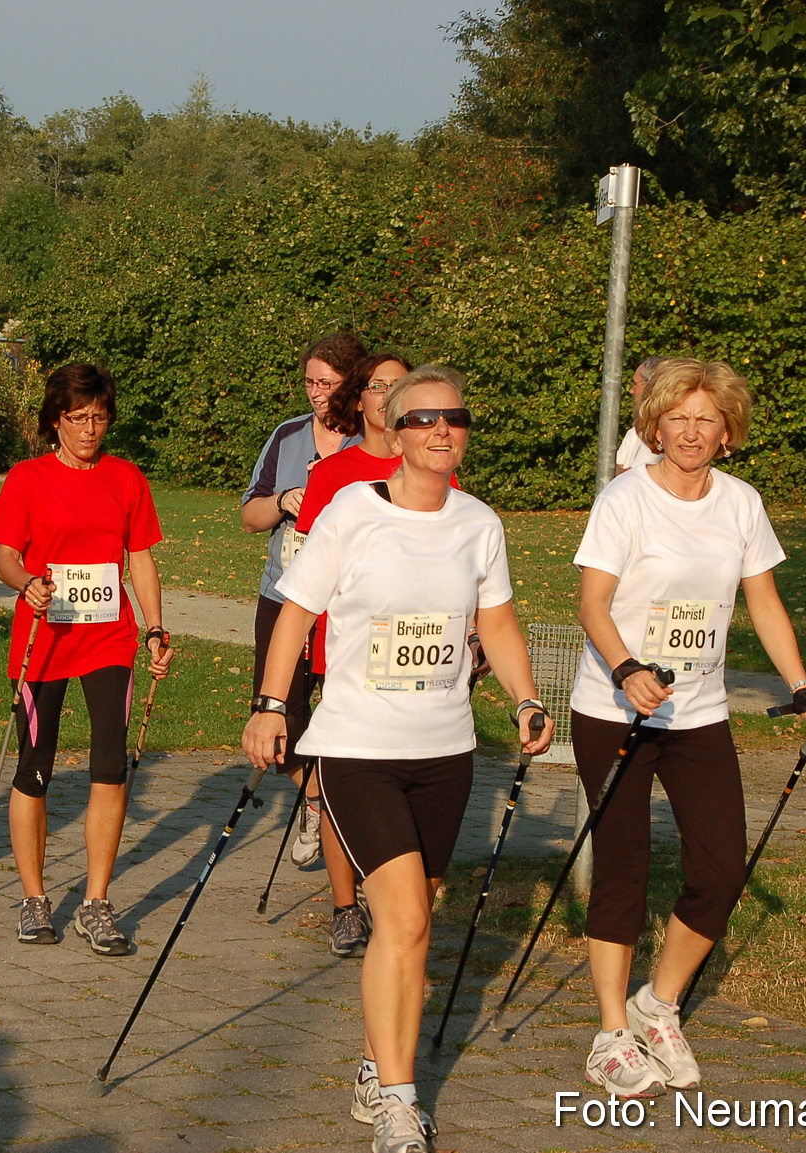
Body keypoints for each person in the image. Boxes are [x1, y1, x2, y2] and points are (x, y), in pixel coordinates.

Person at [243, 365, 554, 1153]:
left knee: (410, 927)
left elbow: (502, 623)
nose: (441, 430)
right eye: (423, 419)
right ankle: (398, 1100)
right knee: (408, 919)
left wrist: (523, 696)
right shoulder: (352, 510)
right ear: (395, 428)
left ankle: (378, 1062)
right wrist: (272, 706)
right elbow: (295, 613)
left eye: (455, 418)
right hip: (357, 745)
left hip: (445, 748)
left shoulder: (479, 523)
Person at [570, 358, 806, 1097]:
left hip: (699, 713)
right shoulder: (624, 500)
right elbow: (594, 604)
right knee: (622, 867)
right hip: (614, 707)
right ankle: (610, 1035)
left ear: (727, 433)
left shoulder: (741, 504)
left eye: (706, 421)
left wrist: (803, 687)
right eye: (677, 419)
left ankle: (657, 1003)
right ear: (655, 426)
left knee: (721, 868)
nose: (690, 433)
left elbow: (764, 602)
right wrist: (626, 667)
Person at [0, 362, 172, 955]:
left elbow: (139, 558)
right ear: (55, 420)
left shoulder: (125, 478)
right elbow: (5, 556)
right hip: (44, 643)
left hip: (107, 639)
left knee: (110, 767)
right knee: (35, 769)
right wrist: (26, 582)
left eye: (99, 418)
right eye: (78, 418)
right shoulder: (27, 478)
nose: (90, 429)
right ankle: (35, 898)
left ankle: (96, 901)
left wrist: (155, 628)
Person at [240, 331, 365, 948]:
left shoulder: (372, 441)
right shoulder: (288, 436)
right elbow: (249, 512)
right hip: (283, 593)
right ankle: (317, 797)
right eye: (310, 383)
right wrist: (285, 500)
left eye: (328, 384)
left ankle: (342, 827)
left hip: (346, 606)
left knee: (339, 715)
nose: (317, 395)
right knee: (279, 711)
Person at [284, 350, 410, 958]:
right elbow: (309, 570)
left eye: (399, 386)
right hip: (343, 651)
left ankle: (396, 893)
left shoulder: (435, 468)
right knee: (338, 779)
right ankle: (344, 905)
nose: (387, 396)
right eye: (377, 386)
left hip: (413, 656)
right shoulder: (333, 473)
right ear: (357, 399)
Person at [614, 356, 666, 475]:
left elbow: (641, 477)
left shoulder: (662, 430)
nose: (632, 390)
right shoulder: (635, 431)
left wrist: (614, 471)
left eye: (635, 384)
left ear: (649, 386)